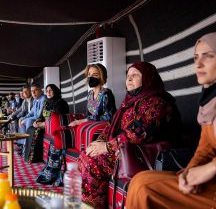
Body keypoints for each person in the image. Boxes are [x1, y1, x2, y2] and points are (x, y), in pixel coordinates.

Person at [126, 32, 216, 209]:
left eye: (209, 56)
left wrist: (213, 168)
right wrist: (189, 173)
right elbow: (204, 149)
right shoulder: (212, 100)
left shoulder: (157, 103)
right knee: (140, 181)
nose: (198, 63)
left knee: (144, 187)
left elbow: (139, 133)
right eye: (196, 57)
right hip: (214, 178)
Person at [77, 61, 181, 207]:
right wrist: (99, 142)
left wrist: (107, 146)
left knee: (92, 162)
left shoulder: (157, 102)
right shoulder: (130, 101)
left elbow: (138, 133)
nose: (129, 79)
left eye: (135, 75)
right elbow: (111, 125)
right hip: (125, 149)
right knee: (85, 154)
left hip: (144, 154)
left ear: (148, 78)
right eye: (128, 75)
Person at [35, 84, 70, 185]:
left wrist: (43, 124)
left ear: (55, 91)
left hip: (60, 130)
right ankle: (35, 157)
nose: (48, 92)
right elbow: (41, 116)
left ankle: (54, 174)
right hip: (48, 128)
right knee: (33, 129)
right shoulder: (46, 102)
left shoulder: (60, 103)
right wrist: (37, 121)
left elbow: (58, 120)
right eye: (47, 91)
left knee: (55, 146)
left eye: (50, 90)